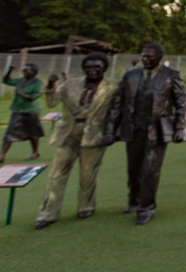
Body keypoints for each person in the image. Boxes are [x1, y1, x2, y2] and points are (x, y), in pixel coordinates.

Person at [34, 53, 121, 229]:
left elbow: (120, 109)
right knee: (56, 173)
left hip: (94, 134)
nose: (93, 70)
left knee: (88, 173)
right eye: (88, 67)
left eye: (97, 67)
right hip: (67, 133)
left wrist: (115, 132)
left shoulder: (114, 86)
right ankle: (48, 213)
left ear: (105, 68)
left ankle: (85, 206)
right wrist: (50, 86)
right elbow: (52, 103)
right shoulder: (70, 84)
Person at [107, 43, 186, 225]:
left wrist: (179, 128)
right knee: (133, 169)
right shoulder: (130, 75)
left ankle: (147, 207)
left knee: (150, 170)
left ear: (159, 57)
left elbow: (181, 103)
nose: (146, 59)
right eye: (144, 56)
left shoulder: (171, 75)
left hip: (156, 129)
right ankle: (134, 201)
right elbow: (118, 104)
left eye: (150, 57)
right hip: (133, 128)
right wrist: (111, 129)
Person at [0, 63, 45, 165]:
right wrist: (9, 71)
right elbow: (6, 81)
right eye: (23, 70)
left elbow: (33, 96)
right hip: (18, 110)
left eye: (26, 70)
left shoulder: (38, 83)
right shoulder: (20, 81)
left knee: (33, 132)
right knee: (10, 133)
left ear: (33, 72)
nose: (24, 72)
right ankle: (1, 156)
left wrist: (21, 94)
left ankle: (35, 151)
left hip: (32, 110)